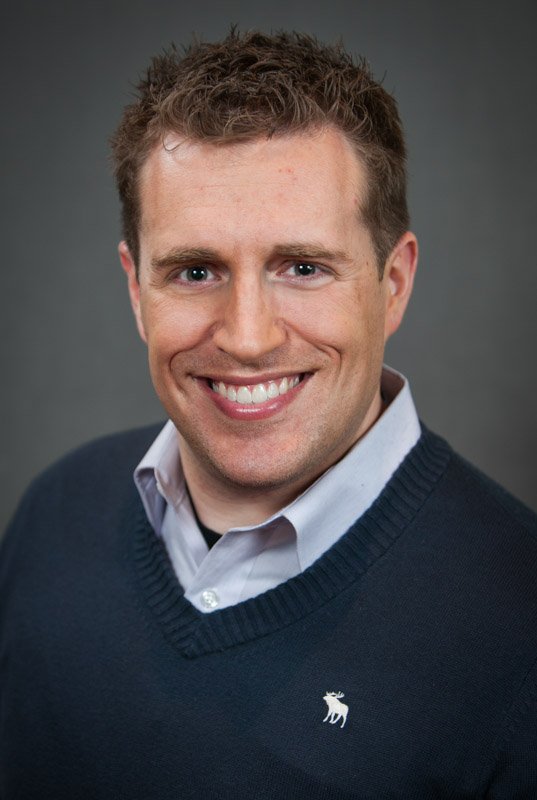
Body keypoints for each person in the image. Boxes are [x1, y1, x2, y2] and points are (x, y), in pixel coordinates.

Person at [1, 30, 536, 799]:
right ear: (136, 290)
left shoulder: (518, 621)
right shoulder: (53, 515)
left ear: (391, 284)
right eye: (195, 271)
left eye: (303, 267)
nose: (247, 337)